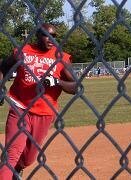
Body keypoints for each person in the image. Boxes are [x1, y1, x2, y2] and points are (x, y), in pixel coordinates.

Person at [0, 23, 77, 179]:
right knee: (12, 153)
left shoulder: (60, 57)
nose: (51, 39)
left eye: (54, 36)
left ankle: (16, 169)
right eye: (47, 35)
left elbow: (76, 86)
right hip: (19, 107)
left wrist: (57, 82)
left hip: (44, 113)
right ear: (37, 35)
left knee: (28, 159)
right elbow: (3, 67)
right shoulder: (23, 52)